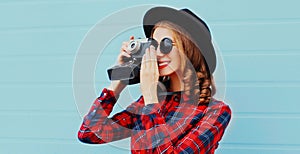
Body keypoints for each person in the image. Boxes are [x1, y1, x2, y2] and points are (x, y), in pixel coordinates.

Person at [78, 6, 231, 154]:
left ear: (190, 50)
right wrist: (119, 81)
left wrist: (151, 99)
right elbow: (88, 133)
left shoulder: (215, 112)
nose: (156, 53)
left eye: (166, 44)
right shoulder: (144, 104)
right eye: (153, 45)